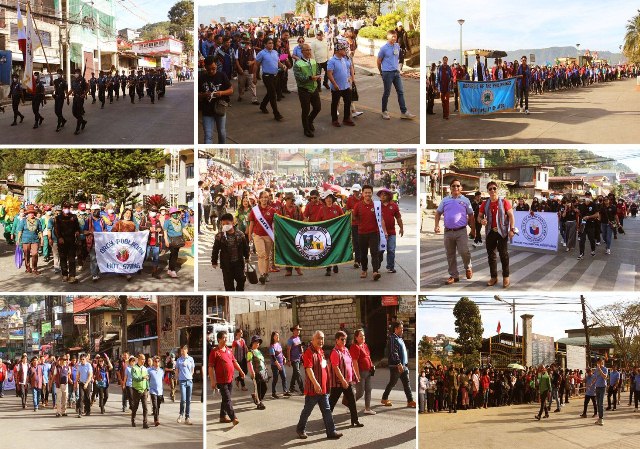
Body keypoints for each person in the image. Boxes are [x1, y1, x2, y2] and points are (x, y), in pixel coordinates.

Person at [296, 330, 342, 440]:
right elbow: (308, 369)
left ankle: (331, 432)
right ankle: (300, 429)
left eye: (322, 338)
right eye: (319, 338)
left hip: (323, 389)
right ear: (313, 340)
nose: (321, 341)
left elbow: (324, 367)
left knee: (327, 410)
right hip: (313, 389)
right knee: (307, 411)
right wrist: (316, 384)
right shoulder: (308, 352)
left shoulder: (321, 351)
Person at [434, 179, 475, 284]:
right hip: (448, 232)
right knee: (450, 254)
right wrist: (436, 226)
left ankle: (468, 267)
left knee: (464, 251)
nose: (455, 188)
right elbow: (438, 213)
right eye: (453, 186)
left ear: (461, 188)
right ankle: (454, 275)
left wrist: (473, 230)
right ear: (450, 188)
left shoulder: (465, 200)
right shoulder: (445, 200)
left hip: (461, 231)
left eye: (457, 186)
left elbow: (471, 215)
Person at [477, 181, 516, 288]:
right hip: (490, 232)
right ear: (488, 191)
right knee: (491, 256)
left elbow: (511, 216)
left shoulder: (504, 202)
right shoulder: (485, 203)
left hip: (502, 232)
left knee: (503, 255)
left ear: (497, 189)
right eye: (490, 189)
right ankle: (494, 277)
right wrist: (481, 221)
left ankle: (506, 277)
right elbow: (479, 217)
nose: (492, 190)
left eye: (494, 188)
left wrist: (512, 229)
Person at [377, 29, 415, 120]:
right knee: (387, 92)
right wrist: (381, 72)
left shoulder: (397, 46)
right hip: (387, 73)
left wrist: (398, 68)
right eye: (393, 36)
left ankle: (404, 112)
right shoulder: (383, 48)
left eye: (396, 37)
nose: (395, 38)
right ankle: (384, 111)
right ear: (388, 37)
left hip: (396, 73)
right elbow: (378, 61)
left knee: (400, 92)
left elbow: (397, 58)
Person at [352, 185, 388, 281]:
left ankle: (375, 272)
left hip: (373, 233)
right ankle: (364, 270)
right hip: (361, 233)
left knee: (374, 253)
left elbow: (381, 219)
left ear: (372, 193)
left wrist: (385, 232)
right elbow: (353, 217)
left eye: (369, 192)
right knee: (363, 253)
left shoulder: (377, 205)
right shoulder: (358, 205)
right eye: (366, 192)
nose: (367, 194)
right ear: (362, 194)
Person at [328, 331, 363, 427]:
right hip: (338, 382)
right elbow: (335, 367)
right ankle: (327, 419)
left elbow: (350, 364)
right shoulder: (335, 352)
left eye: (345, 339)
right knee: (332, 402)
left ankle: (355, 420)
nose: (344, 341)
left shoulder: (346, 350)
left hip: (348, 381)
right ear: (337, 340)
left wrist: (354, 376)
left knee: (352, 400)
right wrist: (343, 380)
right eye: (342, 339)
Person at [210, 331, 244, 426]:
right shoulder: (215, 352)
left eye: (226, 337)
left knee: (225, 399)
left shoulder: (228, 350)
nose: (226, 339)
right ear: (219, 339)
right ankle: (234, 418)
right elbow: (211, 367)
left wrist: (241, 371)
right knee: (228, 399)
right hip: (221, 381)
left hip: (230, 379)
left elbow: (234, 362)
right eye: (224, 338)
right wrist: (213, 381)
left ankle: (222, 416)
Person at [381, 321, 416, 408]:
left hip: (403, 366)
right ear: (396, 329)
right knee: (392, 383)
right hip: (397, 366)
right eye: (401, 328)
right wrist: (399, 363)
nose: (402, 330)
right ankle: (384, 398)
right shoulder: (393, 338)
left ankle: (410, 401)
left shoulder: (399, 338)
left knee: (406, 383)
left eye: (402, 328)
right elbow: (394, 352)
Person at [211, 212, 249, 291]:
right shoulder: (219, 236)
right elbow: (215, 249)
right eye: (223, 224)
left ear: (233, 222)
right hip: (226, 265)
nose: (225, 225)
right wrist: (214, 261)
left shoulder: (240, 234)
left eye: (227, 223)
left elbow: (245, 247)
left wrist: (247, 257)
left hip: (238, 263)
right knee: (228, 285)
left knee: (241, 280)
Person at [199, 56, 233, 144]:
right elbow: (197, 95)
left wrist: (221, 93)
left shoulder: (222, 75)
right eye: (208, 69)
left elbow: (231, 90)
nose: (211, 71)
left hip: (220, 108)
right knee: (208, 135)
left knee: (221, 132)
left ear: (216, 66)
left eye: (213, 69)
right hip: (207, 110)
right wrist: (203, 95)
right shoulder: (201, 78)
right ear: (205, 67)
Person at [247, 190, 277, 284]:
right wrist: (249, 235)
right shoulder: (254, 210)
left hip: (268, 236)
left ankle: (266, 273)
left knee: (267, 256)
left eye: (266, 197)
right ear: (259, 199)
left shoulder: (272, 210)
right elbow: (251, 223)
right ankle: (262, 274)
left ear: (268, 199)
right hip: (257, 235)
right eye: (262, 197)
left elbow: (275, 224)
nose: (264, 199)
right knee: (261, 255)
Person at [293, 43, 322, 138]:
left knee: (317, 108)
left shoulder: (313, 61)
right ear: (302, 52)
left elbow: (318, 71)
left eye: (310, 50)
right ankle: (306, 129)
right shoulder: (297, 64)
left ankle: (309, 120)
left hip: (314, 88)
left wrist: (318, 77)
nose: (309, 52)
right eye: (306, 50)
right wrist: (310, 78)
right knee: (306, 110)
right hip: (304, 90)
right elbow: (299, 77)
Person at [254, 38, 285, 121]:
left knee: (270, 93)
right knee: (272, 94)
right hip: (267, 76)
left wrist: (282, 66)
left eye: (272, 43)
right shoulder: (262, 53)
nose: (271, 45)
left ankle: (263, 105)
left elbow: (278, 62)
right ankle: (276, 113)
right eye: (269, 43)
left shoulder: (275, 52)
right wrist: (254, 77)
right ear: (265, 44)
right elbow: (256, 65)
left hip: (275, 76)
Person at [327, 41, 354, 127]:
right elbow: (329, 74)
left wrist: (350, 78)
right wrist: (334, 84)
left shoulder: (344, 59)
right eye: (343, 50)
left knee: (348, 101)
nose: (345, 51)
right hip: (337, 87)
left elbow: (349, 68)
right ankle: (334, 120)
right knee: (335, 103)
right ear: (338, 50)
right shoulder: (332, 61)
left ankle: (346, 118)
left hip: (346, 86)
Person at [377, 187, 403, 273]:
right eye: (381, 195)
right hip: (379, 233)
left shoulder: (394, 206)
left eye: (385, 195)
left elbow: (398, 218)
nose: (383, 196)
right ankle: (377, 263)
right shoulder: (377, 205)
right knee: (380, 250)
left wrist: (401, 228)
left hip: (391, 232)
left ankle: (390, 266)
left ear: (389, 196)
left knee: (391, 249)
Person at [54, 201, 81, 284]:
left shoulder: (74, 217)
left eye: (68, 208)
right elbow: (56, 229)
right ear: (62, 209)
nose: (67, 209)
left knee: (72, 259)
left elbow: (77, 227)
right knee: (63, 258)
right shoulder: (58, 218)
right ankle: (65, 275)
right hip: (62, 241)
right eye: (65, 208)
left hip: (72, 241)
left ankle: (72, 276)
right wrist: (59, 238)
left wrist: (77, 232)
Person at [350, 328, 375, 414]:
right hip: (360, 372)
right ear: (356, 338)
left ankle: (367, 408)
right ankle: (350, 404)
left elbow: (368, 356)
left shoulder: (365, 345)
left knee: (368, 390)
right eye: (361, 336)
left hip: (368, 372)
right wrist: (357, 375)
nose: (363, 337)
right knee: (360, 392)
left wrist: (371, 365)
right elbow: (354, 362)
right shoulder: (355, 347)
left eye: (363, 335)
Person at [163, 207, 189, 278]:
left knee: (173, 255)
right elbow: (165, 232)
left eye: (176, 213)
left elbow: (183, 229)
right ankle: (173, 270)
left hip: (179, 240)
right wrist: (166, 240)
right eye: (173, 213)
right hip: (171, 241)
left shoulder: (180, 221)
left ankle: (169, 269)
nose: (175, 214)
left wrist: (189, 236)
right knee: (174, 255)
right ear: (171, 214)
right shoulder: (167, 221)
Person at [176, 345, 195, 425]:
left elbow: (192, 369)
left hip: (189, 381)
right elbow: (177, 370)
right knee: (183, 399)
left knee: (188, 400)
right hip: (182, 381)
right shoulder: (179, 360)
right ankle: (181, 414)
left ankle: (187, 417)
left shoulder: (191, 359)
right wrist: (177, 378)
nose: (182, 351)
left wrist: (190, 376)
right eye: (181, 350)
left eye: (183, 350)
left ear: (187, 350)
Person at [577, 192, 600, 260]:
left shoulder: (594, 205)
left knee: (591, 239)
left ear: (590, 196)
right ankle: (581, 254)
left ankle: (593, 250)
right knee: (582, 240)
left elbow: (597, 215)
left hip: (591, 224)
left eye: (588, 196)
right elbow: (579, 214)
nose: (587, 197)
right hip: (583, 225)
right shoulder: (581, 205)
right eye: (586, 196)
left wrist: (589, 217)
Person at [130, 353, 149, 428]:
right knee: (135, 407)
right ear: (138, 359)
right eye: (142, 359)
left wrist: (147, 389)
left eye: (144, 359)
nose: (144, 361)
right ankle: (133, 419)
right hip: (136, 390)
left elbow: (147, 380)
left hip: (144, 390)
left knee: (145, 407)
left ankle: (145, 423)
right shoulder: (134, 368)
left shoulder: (145, 368)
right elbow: (135, 378)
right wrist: (143, 377)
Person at [67, 68, 88, 135]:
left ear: (79, 73)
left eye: (77, 73)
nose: (76, 74)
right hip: (75, 98)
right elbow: (72, 89)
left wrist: (84, 94)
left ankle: (77, 129)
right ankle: (83, 121)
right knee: (74, 113)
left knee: (78, 113)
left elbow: (87, 88)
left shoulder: (82, 80)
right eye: (75, 72)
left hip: (80, 98)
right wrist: (67, 95)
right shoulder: (73, 81)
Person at [269, 331, 290, 398]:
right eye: (276, 336)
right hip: (275, 365)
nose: (278, 337)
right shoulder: (271, 346)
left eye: (278, 335)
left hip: (281, 364)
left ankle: (285, 391)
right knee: (275, 378)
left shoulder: (278, 344)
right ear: (273, 337)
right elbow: (273, 357)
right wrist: (278, 365)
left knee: (284, 377)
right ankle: (273, 393)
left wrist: (284, 358)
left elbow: (281, 353)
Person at [286, 325, 305, 395]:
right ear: (293, 331)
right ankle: (302, 389)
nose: (298, 331)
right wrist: (288, 360)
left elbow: (300, 348)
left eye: (299, 330)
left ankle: (292, 387)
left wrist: (303, 356)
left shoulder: (298, 338)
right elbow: (288, 350)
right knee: (297, 373)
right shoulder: (290, 340)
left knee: (295, 373)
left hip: (299, 358)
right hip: (294, 359)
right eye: (297, 330)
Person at [74, 353, 93, 417]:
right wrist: (75, 383)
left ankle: (88, 411)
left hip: (87, 383)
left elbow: (90, 375)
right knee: (81, 397)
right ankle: (80, 412)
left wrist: (87, 383)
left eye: (83, 359)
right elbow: (78, 375)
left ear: (86, 359)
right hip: (81, 383)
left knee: (87, 398)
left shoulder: (88, 365)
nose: (82, 360)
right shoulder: (79, 366)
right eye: (81, 359)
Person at [594, 358, 608, 426]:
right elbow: (596, 378)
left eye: (601, 362)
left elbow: (605, 377)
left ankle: (601, 419)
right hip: (597, 387)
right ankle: (599, 418)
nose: (600, 363)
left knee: (601, 403)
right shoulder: (596, 370)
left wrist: (600, 369)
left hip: (602, 387)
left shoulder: (605, 369)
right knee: (598, 403)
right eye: (599, 362)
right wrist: (592, 385)